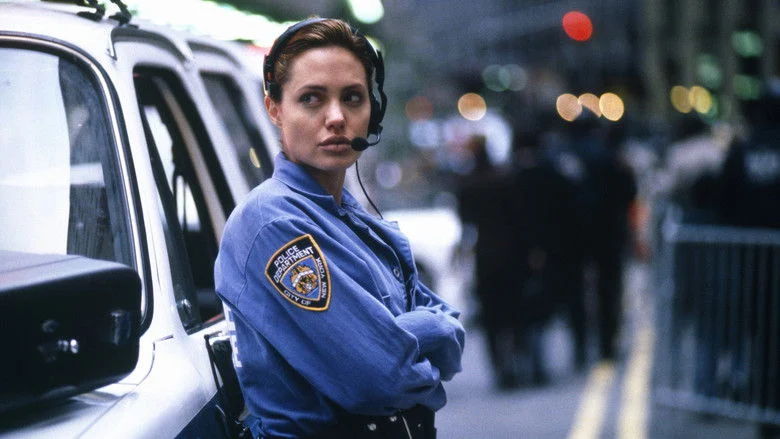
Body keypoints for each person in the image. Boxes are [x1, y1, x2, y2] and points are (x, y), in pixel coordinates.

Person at [215, 17, 465, 439]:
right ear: (275, 109)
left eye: (352, 97)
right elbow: (380, 378)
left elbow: (452, 332)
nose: (336, 117)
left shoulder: (348, 215)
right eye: (311, 99)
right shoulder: (272, 222)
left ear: (373, 110)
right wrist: (429, 332)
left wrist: (404, 337)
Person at [455, 134, 520, 389]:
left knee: (492, 316)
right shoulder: (503, 178)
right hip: (510, 251)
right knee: (512, 312)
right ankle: (516, 360)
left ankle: (499, 367)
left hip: (485, 253)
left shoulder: (468, 182)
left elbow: (465, 221)